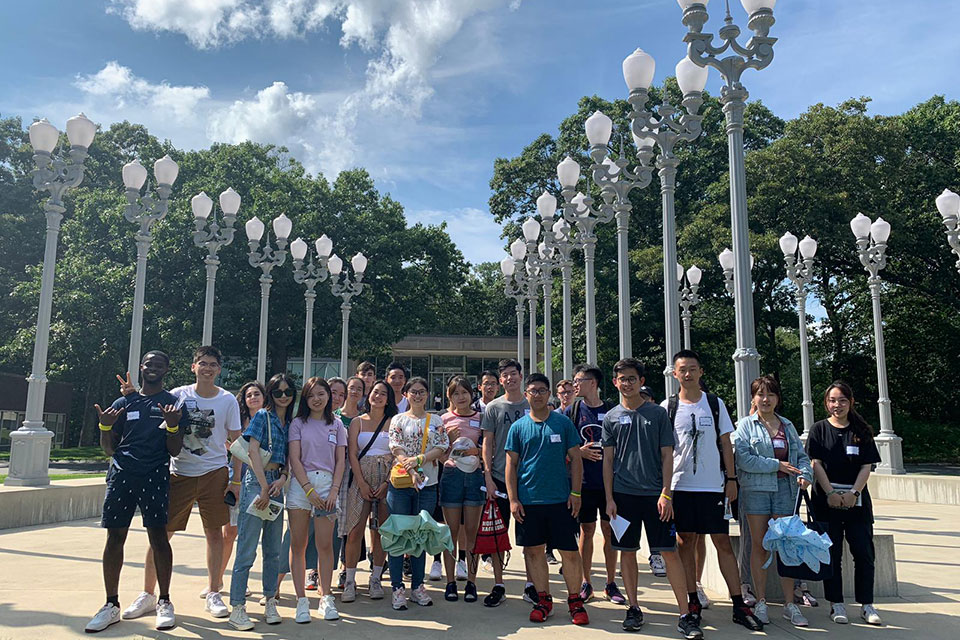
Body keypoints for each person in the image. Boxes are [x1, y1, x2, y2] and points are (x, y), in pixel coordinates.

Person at [120, 346, 241, 623]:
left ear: (219, 369)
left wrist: (235, 480)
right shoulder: (178, 395)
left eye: (213, 364)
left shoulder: (227, 401)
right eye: (202, 363)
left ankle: (213, 591)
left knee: (214, 534)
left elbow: (237, 443)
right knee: (162, 535)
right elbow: (150, 410)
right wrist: (130, 397)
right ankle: (149, 593)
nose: (207, 368)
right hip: (179, 473)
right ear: (193, 367)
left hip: (214, 473)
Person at [85, 352, 185, 633]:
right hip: (121, 476)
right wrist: (105, 425)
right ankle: (111, 605)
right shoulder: (123, 402)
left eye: (159, 364)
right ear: (141, 367)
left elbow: (174, 449)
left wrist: (174, 423)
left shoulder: (172, 404)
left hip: (154, 476)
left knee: (158, 537)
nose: (153, 368)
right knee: (115, 536)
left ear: (166, 369)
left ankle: (163, 600)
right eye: (148, 363)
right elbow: (109, 448)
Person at [663, 350, 761, 633]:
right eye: (682, 369)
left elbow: (726, 443)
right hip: (681, 486)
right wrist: (666, 490)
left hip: (712, 485)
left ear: (700, 371)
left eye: (693, 369)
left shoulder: (714, 404)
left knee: (722, 542)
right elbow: (666, 452)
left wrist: (731, 479)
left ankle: (739, 603)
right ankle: (692, 600)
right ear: (675, 373)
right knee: (686, 542)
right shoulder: (668, 406)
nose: (688, 374)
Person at [602, 358, 699, 637]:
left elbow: (668, 455)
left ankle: (685, 612)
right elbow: (607, 461)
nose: (628, 383)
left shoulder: (657, 414)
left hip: (656, 496)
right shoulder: (611, 417)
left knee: (669, 553)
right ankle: (633, 607)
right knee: (627, 553)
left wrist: (666, 493)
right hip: (623, 497)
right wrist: (609, 498)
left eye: (633, 378)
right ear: (615, 382)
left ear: (641, 381)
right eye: (623, 379)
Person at [506, 373, 588, 625]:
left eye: (543, 390)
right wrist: (513, 499)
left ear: (549, 393)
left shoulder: (562, 423)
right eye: (533, 390)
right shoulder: (518, 427)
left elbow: (576, 459)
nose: (538, 394)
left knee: (570, 552)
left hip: (560, 500)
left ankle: (575, 601)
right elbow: (511, 464)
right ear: (526, 393)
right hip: (529, 501)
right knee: (533, 552)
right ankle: (544, 599)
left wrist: (575, 493)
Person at [733, 375, 813, 627]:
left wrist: (806, 475)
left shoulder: (787, 425)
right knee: (760, 545)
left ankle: (790, 603)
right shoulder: (745, 425)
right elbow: (743, 459)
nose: (765, 399)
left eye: (770, 394)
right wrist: (776, 464)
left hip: (785, 492)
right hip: (755, 492)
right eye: (760, 394)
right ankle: (761, 601)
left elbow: (801, 456)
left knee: (787, 546)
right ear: (753, 398)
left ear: (777, 398)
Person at [806, 381, 883, 626]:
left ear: (850, 402)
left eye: (841, 400)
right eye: (832, 400)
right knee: (832, 553)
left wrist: (854, 493)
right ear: (826, 403)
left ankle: (867, 604)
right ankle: (836, 603)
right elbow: (815, 463)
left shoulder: (861, 430)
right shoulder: (818, 429)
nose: (836, 405)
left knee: (863, 553)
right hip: (825, 501)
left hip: (856, 502)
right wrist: (829, 493)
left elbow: (866, 465)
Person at [228, 373, 296, 630]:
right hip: (258, 483)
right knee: (247, 547)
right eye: (277, 392)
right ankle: (237, 605)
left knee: (273, 549)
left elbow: (288, 455)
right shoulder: (262, 416)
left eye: (287, 391)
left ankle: (269, 599)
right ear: (270, 394)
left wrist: (283, 477)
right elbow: (253, 451)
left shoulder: (288, 423)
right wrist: (264, 486)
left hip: (277, 484)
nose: (283, 396)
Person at [286, 377, 347, 623]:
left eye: (322, 394)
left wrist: (333, 491)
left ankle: (326, 597)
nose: (317, 399)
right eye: (312, 395)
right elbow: (295, 458)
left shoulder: (338, 425)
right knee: (298, 544)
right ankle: (301, 599)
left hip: (328, 485)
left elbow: (341, 460)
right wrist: (308, 489)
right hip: (302, 486)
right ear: (305, 399)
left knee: (325, 545)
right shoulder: (298, 424)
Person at [386, 376, 449, 610]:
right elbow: (396, 447)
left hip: (428, 485)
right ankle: (396, 588)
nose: (418, 395)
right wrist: (411, 468)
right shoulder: (398, 419)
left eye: (422, 391)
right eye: (413, 391)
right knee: (399, 536)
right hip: (401, 485)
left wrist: (420, 460)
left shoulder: (436, 420)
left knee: (420, 536)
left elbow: (441, 446)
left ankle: (417, 587)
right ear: (406, 394)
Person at [566, 364, 624, 604]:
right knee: (586, 531)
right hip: (584, 483)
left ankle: (611, 582)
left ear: (593, 382)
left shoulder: (613, 410)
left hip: (610, 484)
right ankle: (585, 581)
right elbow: (564, 448)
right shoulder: (572, 410)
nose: (575, 384)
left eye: (579, 380)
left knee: (610, 531)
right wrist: (579, 453)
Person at [480, 358, 532, 607]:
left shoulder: (533, 403)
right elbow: (487, 443)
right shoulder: (493, 408)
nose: (510, 378)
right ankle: (499, 584)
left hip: (529, 480)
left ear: (521, 376)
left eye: (514, 373)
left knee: (531, 537)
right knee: (498, 536)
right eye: (505, 375)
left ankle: (532, 584)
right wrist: (488, 476)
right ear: (500, 380)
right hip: (500, 479)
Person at [341, 380, 396, 602]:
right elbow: (352, 454)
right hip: (360, 478)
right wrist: (362, 482)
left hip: (386, 478)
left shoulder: (394, 422)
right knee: (354, 530)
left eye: (383, 394)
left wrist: (387, 483)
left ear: (388, 399)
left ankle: (376, 578)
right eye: (375, 392)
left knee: (381, 532)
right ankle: (351, 580)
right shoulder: (357, 422)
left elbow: (397, 453)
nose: (378, 396)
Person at [439, 376, 484, 603]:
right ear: (450, 396)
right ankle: (450, 582)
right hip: (451, 476)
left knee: (472, 533)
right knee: (451, 532)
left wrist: (476, 451)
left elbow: (487, 450)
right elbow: (439, 455)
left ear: (471, 394)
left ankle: (472, 583)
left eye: (464, 392)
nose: (461, 397)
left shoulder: (481, 418)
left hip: (474, 477)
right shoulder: (444, 419)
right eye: (456, 393)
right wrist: (446, 439)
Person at [218, 381, 264, 599]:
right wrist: (235, 480)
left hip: (261, 481)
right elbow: (233, 448)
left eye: (257, 394)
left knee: (249, 536)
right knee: (229, 533)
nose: (253, 398)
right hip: (236, 479)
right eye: (249, 395)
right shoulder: (238, 422)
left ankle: (241, 580)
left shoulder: (270, 421)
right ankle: (216, 580)